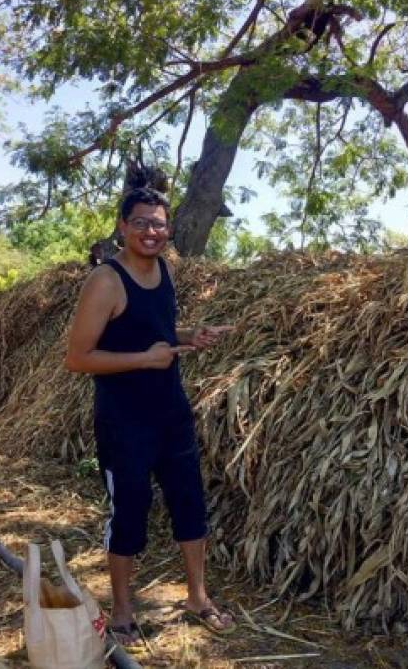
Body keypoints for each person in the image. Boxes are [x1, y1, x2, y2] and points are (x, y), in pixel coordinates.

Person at [65, 182, 237, 646]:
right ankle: (122, 610)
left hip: (171, 413)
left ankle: (197, 598)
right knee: (129, 513)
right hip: (125, 422)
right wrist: (145, 359)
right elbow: (78, 357)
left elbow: (153, 331)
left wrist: (187, 335)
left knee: (190, 503)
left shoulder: (163, 270)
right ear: (122, 226)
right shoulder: (105, 280)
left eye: (158, 224)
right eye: (140, 222)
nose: (150, 232)